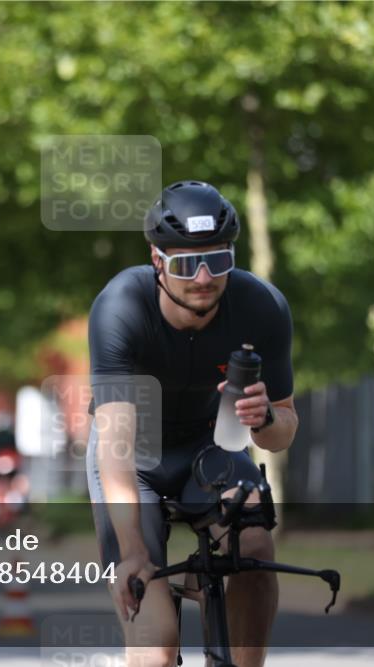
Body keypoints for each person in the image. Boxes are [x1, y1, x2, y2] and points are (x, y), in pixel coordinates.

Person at [85, 180, 298, 667]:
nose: (203, 277)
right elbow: (114, 445)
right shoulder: (121, 308)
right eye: (185, 263)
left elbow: (285, 429)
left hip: (212, 448)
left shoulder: (261, 307)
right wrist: (134, 550)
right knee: (157, 649)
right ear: (156, 260)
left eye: (218, 260)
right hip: (134, 460)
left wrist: (264, 418)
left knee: (255, 539)